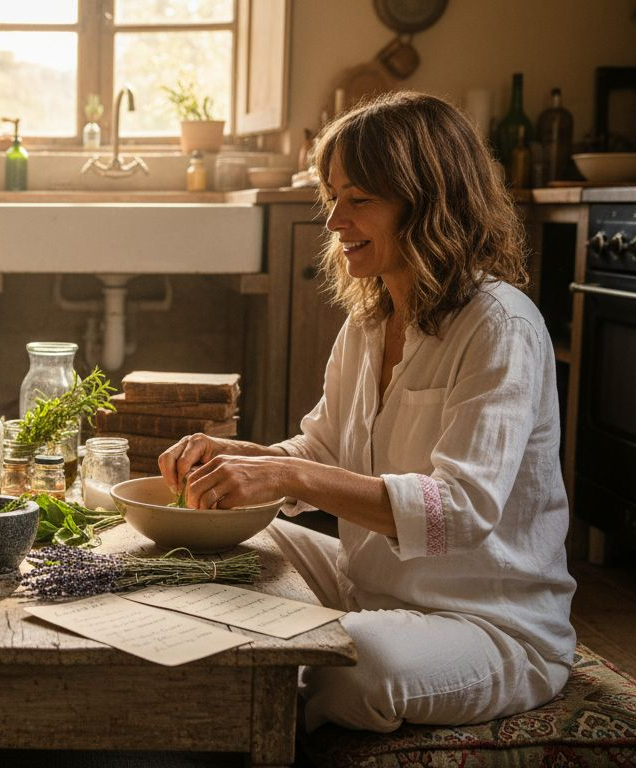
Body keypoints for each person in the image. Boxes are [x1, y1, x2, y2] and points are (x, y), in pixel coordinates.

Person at [160, 91, 576, 733]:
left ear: (429, 201)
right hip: (363, 587)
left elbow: (460, 512)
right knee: (198, 548)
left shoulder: (501, 327)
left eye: (360, 200)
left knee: (353, 663)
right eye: (332, 198)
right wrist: (242, 459)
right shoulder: (368, 321)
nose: (334, 222)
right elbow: (322, 453)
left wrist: (286, 477)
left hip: (486, 624)